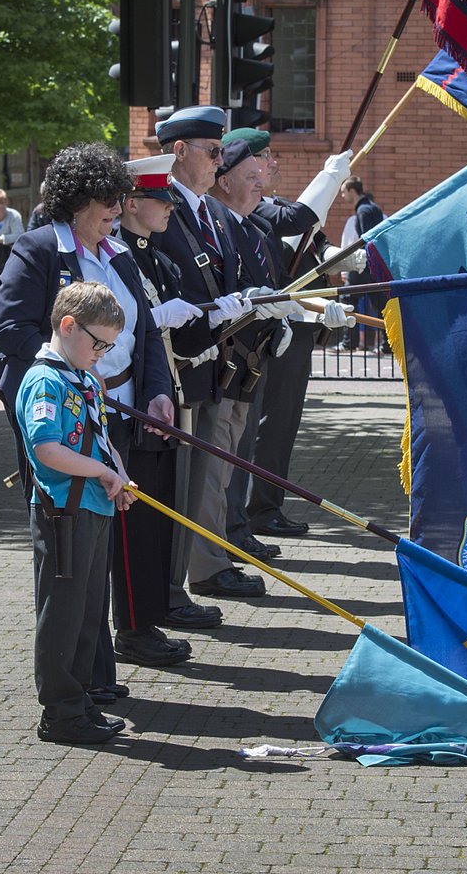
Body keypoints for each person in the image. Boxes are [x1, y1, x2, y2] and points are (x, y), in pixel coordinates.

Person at [0, 141, 181, 700]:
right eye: (107, 199)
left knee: (99, 550)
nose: (118, 208)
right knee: (69, 560)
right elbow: (12, 331)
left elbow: (144, 328)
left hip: (115, 414)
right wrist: (73, 380)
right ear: (76, 200)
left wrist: (156, 391)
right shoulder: (37, 249)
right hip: (65, 422)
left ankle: (95, 674)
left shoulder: (120, 252)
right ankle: (71, 687)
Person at [152, 108, 277, 604]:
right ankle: (184, 577)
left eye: (222, 151)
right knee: (187, 480)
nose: (218, 161)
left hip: (218, 360)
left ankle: (204, 566)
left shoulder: (211, 212)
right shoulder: (163, 206)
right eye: (212, 151)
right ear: (179, 151)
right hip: (180, 362)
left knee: (210, 472)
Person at [216, 128, 360, 543]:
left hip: (291, 327)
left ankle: (262, 508)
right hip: (259, 334)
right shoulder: (249, 212)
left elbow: (313, 240)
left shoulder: (268, 204)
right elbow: (297, 221)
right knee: (249, 430)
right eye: (264, 158)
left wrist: (335, 256)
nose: (273, 164)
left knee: (281, 423)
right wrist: (330, 178)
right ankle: (239, 520)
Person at [17, 280, 135, 745]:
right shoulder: (45, 379)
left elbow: (102, 441)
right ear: (68, 326)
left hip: (93, 508)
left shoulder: (84, 378)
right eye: (98, 342)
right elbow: (46, 449)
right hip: (63, 513)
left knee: (89, 610)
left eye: (109, 345)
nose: (103, 352)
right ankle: (61, 712)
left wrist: (118, 476)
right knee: (62, 612)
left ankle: (80, 698)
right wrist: (102, 474)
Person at [116, 153, 225, 637]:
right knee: (140, 524)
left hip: (164, 396)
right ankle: (142, 621)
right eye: (159, 201)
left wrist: (222, 317)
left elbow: (182, 341)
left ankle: (158, 608)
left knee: (164, 516)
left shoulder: (156, 260)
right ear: (133, 203)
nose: (168, 210)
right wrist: (155, 320)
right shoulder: (120, 256)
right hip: (133, 401)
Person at [338, 177, 386, 351]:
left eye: (344, 191)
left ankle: (348, 343)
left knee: (347, 299)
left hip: (363, 263)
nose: (342, 196)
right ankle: (387, 344)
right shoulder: (373, 208)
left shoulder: (363, 211)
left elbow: (367, 238)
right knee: (381, 303)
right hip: (374, 264)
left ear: (352, 191)